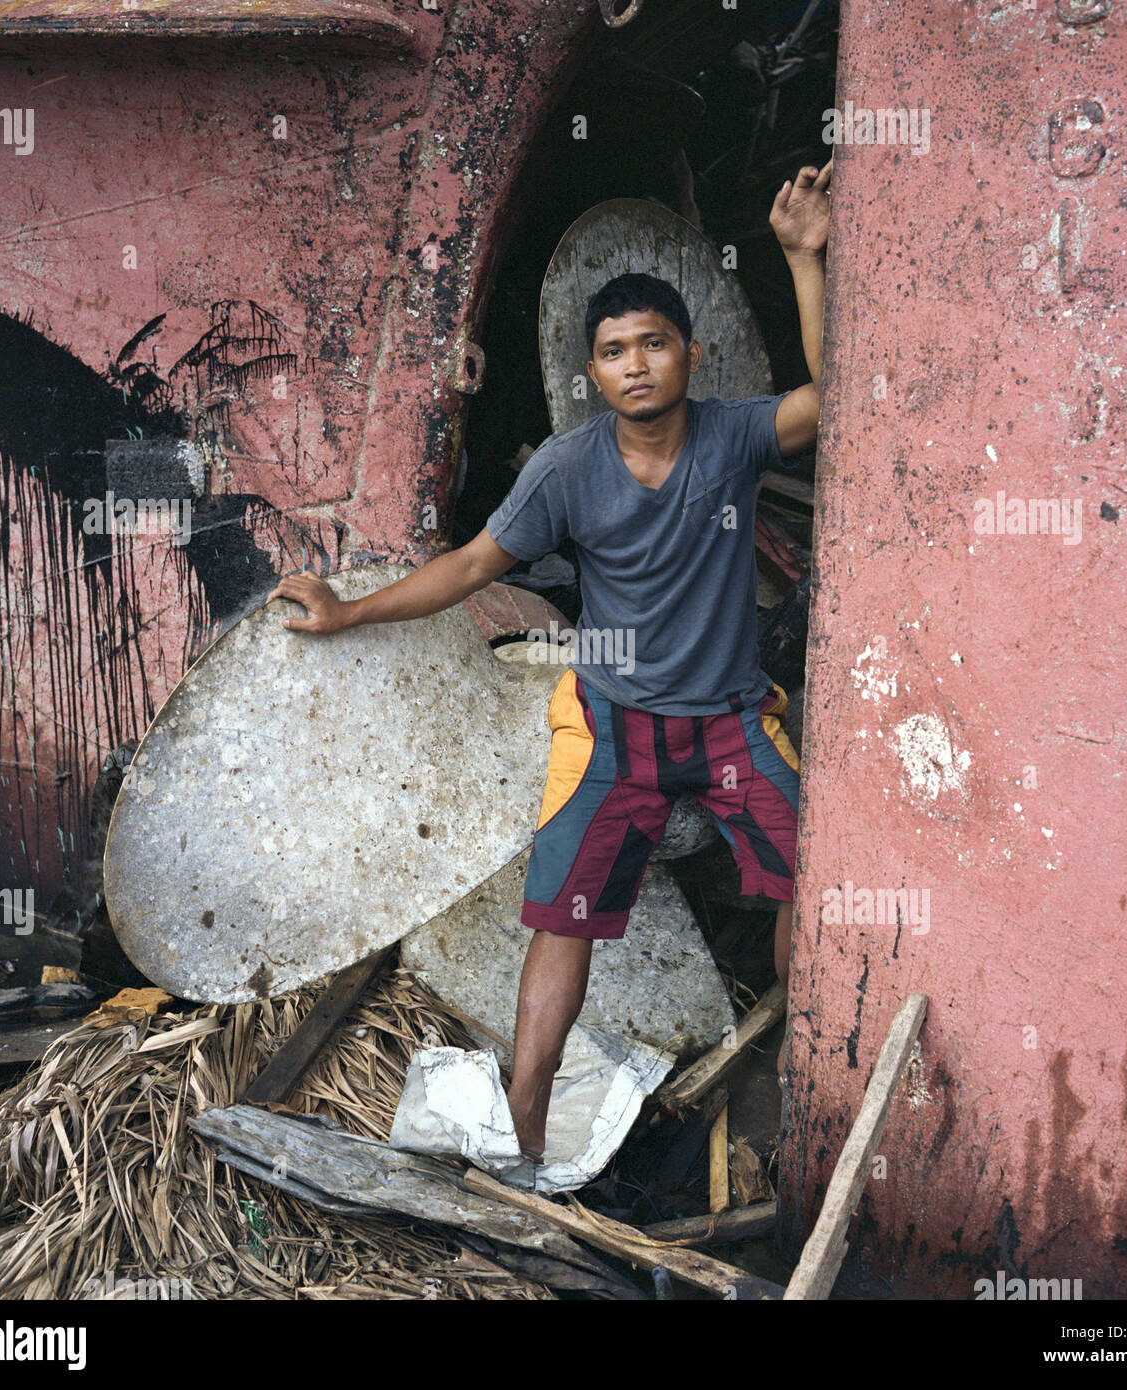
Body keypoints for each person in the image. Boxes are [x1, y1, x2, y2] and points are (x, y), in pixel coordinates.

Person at [266, 161, 831, 1165]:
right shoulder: (565, 470)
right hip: (611, 728)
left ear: (689, 355)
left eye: (654, 343)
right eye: (615, 351)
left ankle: (798, 1073)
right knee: (563, 920)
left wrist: (800, 256)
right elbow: (476, 565)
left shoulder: (735, 437)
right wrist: (349, 610)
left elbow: (833, 403)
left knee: (812, 884)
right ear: (595, 374)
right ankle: (524, 1120)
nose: (637, 364)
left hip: (733, 718)